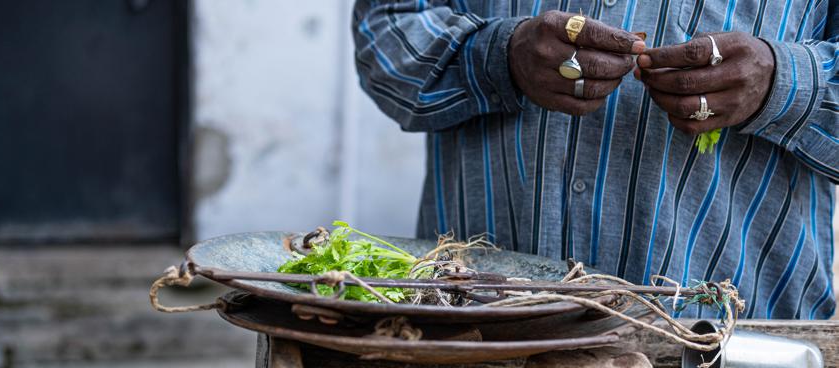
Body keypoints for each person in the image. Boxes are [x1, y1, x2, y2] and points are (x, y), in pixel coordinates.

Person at [352, 1, 838, 319]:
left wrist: (786, 82)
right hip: (474, 331)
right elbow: (385, 29)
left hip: (735, 358)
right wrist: (496, 57)